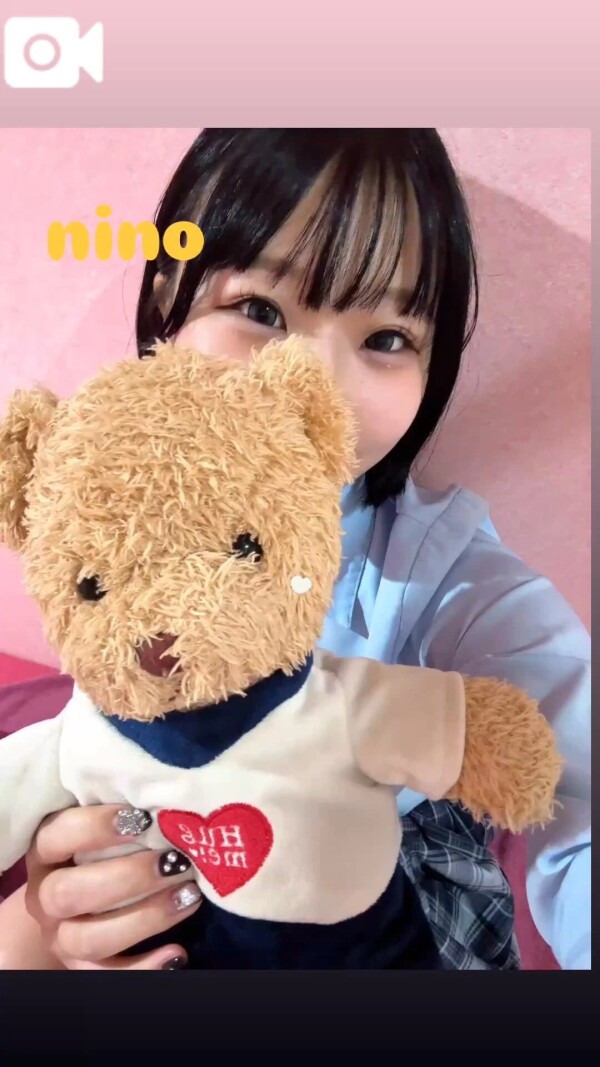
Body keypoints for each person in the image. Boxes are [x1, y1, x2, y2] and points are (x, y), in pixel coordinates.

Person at [0, 129, 590, 971]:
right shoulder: (99, 505)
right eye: (262, 311)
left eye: (387, 338)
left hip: (363, 888)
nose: (324, 382)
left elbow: (576, 790)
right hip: (162, 847)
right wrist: (54, 917)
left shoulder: (443, 574)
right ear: (168, 300)